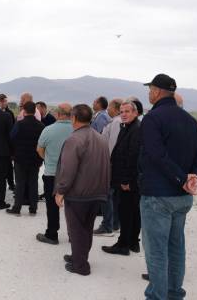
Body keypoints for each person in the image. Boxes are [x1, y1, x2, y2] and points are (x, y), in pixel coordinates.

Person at [139, 74, 197, 299]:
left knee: (156, 251)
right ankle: (174, 293)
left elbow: (156, 155)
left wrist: (182, 179)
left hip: (158, 196)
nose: (148, 93)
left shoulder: (152, 119)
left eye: (150, 89)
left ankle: (157, 296)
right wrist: (194, 178)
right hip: (182, 198)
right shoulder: (189, 119)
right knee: (176, 247)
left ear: (158, 92)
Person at [55, 104, 110, 276]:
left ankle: (81, 266)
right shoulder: (100, 137)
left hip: (79, 193)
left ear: (74, 118)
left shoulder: (74, 139)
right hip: (97, 191)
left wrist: (60, 191)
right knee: (86, 228)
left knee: (76, 229)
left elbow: (68, 169)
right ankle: (79, 257)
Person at [102, 100, 142, 255]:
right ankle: (132, 242)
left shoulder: (136, 129)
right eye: (121, 111)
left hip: (128, 181)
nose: (124, 114)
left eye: (127, 111)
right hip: (127, 179)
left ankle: (123, 244)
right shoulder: (127, 127)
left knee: (126, 212)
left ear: (135, 113)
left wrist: (126, 181)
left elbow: (132, 157)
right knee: (131, 211)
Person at [35, 103, 73, 245]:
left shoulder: (48, 130)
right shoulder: (76, 130)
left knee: (52, 206)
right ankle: (73, 235)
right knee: (73, 207)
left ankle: (52, 234)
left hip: (51, 173)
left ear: (58, 114)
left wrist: (49, 159)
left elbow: (39, 149)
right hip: (73, 174)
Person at [6, 101, 45, 216]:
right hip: (35, 159)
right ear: (35, 111)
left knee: (20, 183)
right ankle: (33, 208)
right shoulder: (41, 126)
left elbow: (11, 138)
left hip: (20, 158)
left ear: (24, 111)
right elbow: (42, 143)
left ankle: (17, 208)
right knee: (33, 183)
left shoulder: (19, 124)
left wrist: (13, 153)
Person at [94, 98, 124, 236]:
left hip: (110, 163)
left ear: (116, 108)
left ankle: (107, 225)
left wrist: (106, 162)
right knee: (114, 194)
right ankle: (115, 223)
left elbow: (112, 145)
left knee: (107, 193)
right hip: (112, 163)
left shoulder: (117, 122)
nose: (109, 109)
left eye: (111, 107)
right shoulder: (115, 121)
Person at [0, 94, 17, 192]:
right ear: (1, 102)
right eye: (5, 101)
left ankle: (11, 183)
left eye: (7, 101)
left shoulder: (9, 113)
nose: (6, 103)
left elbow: (12, 130)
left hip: (7, 145)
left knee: (9, 167)